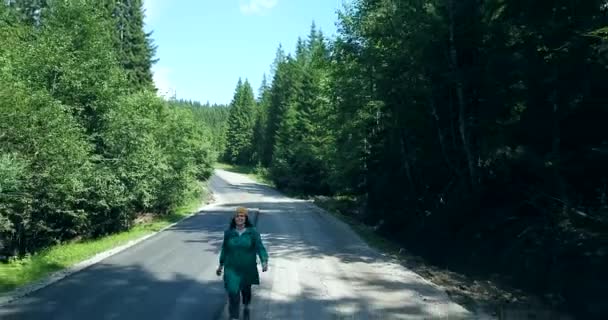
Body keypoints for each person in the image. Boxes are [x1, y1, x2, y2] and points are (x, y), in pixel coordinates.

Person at [216, 206, 269, 320]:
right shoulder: (229, 233)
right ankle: (234, 317)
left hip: (247, 269)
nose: (240, 218)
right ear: (234, 218)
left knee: (246, 291)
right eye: (237, 216)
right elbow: (225, 249)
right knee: (233, 294)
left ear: (246, 218)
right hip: (231, 269)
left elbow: (260, 247)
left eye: (242, 216)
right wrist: (221, 265)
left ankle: (246, 305)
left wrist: (264, 260)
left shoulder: (252, 233)